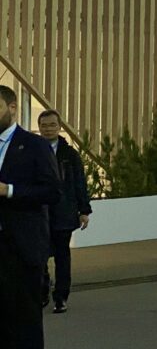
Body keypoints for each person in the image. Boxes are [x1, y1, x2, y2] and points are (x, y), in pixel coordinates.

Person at [0, 86, 61, 348]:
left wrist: (9, 190)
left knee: (24, 321)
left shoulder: (34, 145)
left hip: (21, 248)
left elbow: (53, 191)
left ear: (12, 108)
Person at [37, 110, 92, 314]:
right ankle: (42, 290)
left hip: (63, 213)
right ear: (39, 127)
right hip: (38, 213)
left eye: (52, 125)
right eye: (44, 125)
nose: (48, 129)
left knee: (62, 257)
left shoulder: (70, 155)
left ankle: (61, 297)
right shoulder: (32, 150)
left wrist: (84, 210)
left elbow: (79, 183)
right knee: (39, 256)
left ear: (59, 127)